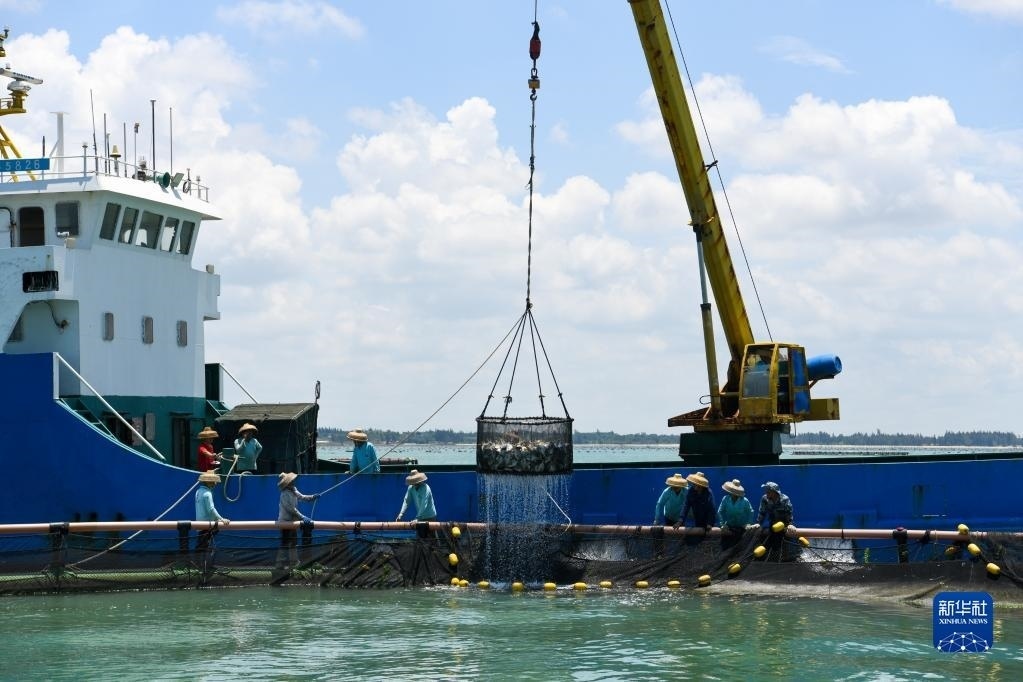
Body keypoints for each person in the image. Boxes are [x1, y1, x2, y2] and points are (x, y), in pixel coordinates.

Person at [276, 472, 319, 571]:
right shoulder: (284, 494)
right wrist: (302, 517)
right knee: (285, 543)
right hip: (285, 522)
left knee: (293, 542)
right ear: (288, 483)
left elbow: (302, 497)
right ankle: (280, 564)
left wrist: (312, 497)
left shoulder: (294, 490)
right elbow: (291, 509)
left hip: (292, 522)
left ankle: (294, 563)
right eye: (291, 481)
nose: (293, 482)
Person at [194, 470, 230, 567]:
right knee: (205, 546)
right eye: (213, 481)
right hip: (207, 525)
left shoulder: (198, 492)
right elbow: (211, 509)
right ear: (208, 482)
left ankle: (199, 565)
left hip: (200, 524)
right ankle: (203, 566)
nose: (215, 483)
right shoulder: (207, 493)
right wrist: (221, 519)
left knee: (201, 546)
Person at [756, 481, 794, 561]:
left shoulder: (785, 499)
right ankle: (770, 558)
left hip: (784, 525)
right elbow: (762, 512)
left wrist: (790, 524)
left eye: (768, 491)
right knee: (766, 538)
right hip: (773, 524)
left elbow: (789, 513)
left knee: (784, 540)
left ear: (774, 492)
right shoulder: (764, 499)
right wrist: (758, 523)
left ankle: (785, 558)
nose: (766, 493)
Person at [717, 479, 754, 549]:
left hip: (741, 527)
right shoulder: (725, 499)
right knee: (726, 546)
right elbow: (720, 511)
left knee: (741, 547)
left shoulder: (744, 501)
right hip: (729, 526)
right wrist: (722, 524)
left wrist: (748, 523)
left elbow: (751, 511)